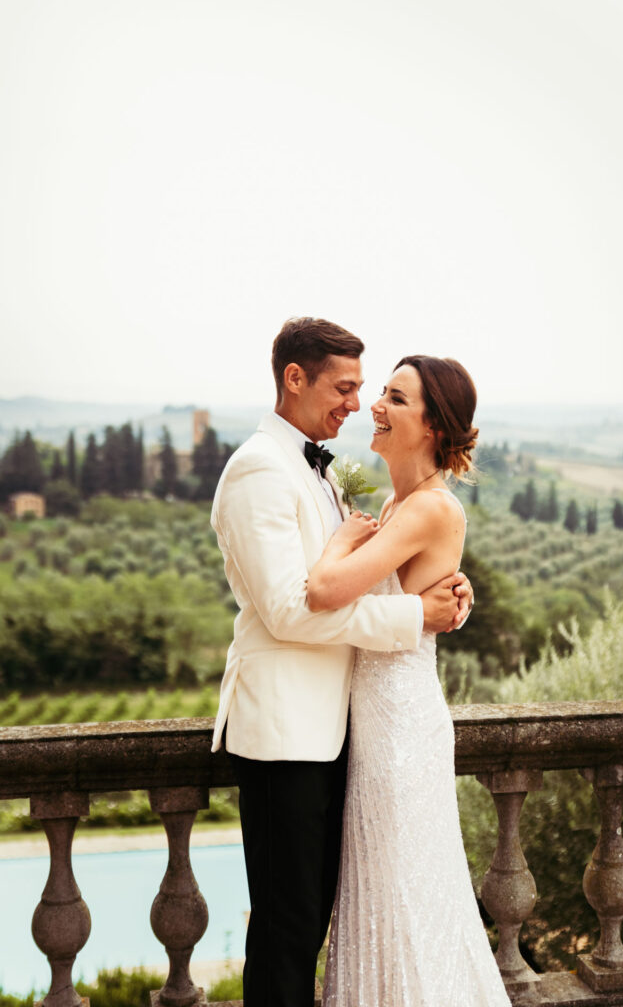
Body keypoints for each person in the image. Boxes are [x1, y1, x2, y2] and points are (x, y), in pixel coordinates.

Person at [210, 318, 474, 1007]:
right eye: (348, 387)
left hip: (344, 730)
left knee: (334, 916)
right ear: (294, 378)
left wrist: (446, 593)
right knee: (290, 927)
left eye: (376, 392)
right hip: (287, 732)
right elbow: (292, 610)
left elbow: (358, 577)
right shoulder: (260, 469)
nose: (358, 405)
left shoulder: (326, 472)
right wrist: (419, 615)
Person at [307, 355, 511, 1007]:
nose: (375, 405)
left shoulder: (429, 509)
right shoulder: (399, 503)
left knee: (403, 893)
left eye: (394, 397)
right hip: (376, 725)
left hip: (400, 730)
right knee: (381, 890)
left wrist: (340, 542)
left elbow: (327, 590)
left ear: (431, 426)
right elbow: (412, 594)